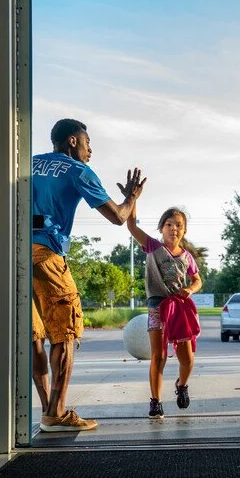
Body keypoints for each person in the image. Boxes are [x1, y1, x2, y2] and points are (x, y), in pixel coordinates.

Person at [32, 118, 146, 432]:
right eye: (87, 142)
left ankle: (48, 411)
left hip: (15, 254)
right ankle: (56, 414)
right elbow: (118, 217)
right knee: (65, 333)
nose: (90, 150)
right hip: (47, 256)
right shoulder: (77, 170)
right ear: (71, 141)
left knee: (35, 337)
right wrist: (132, 197)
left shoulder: (28, 163)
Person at [127, 204, 202, 419]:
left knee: (186, 359)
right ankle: (156, 401)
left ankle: (182, 384)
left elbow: (197, 280)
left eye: (179, 225)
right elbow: (131, 226)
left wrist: (189, 288)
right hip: (157, 306)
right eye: (169, 224)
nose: (174, 229)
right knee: (158, 356)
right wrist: (132, 200)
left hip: (179, 307)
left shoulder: (187, 257)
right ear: (161, 228)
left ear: (184, 230)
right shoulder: (152, 247)